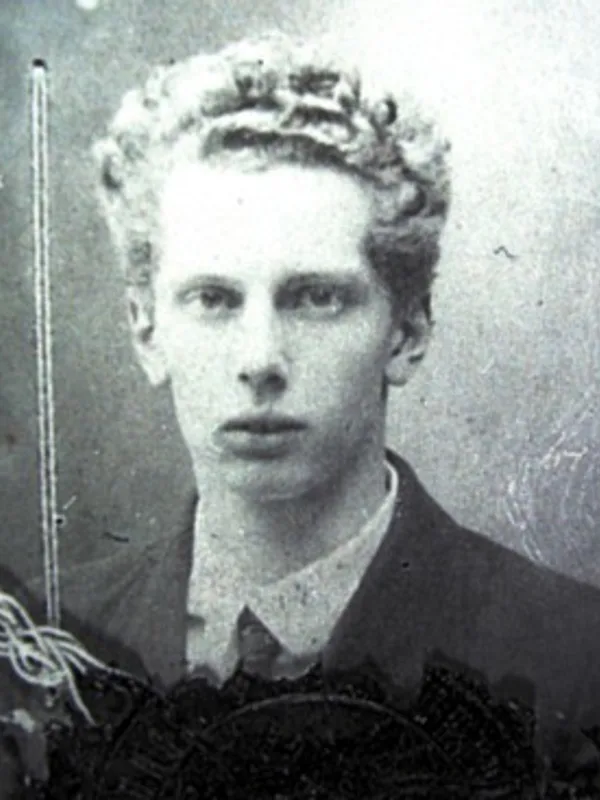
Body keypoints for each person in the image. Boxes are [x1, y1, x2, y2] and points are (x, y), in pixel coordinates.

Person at [2, 32, 600, 789]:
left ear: (407, 332)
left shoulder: (576, 662)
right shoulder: (43, 651)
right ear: (147, 332)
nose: (260, 359)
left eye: (316, 297)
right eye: (213, 299)